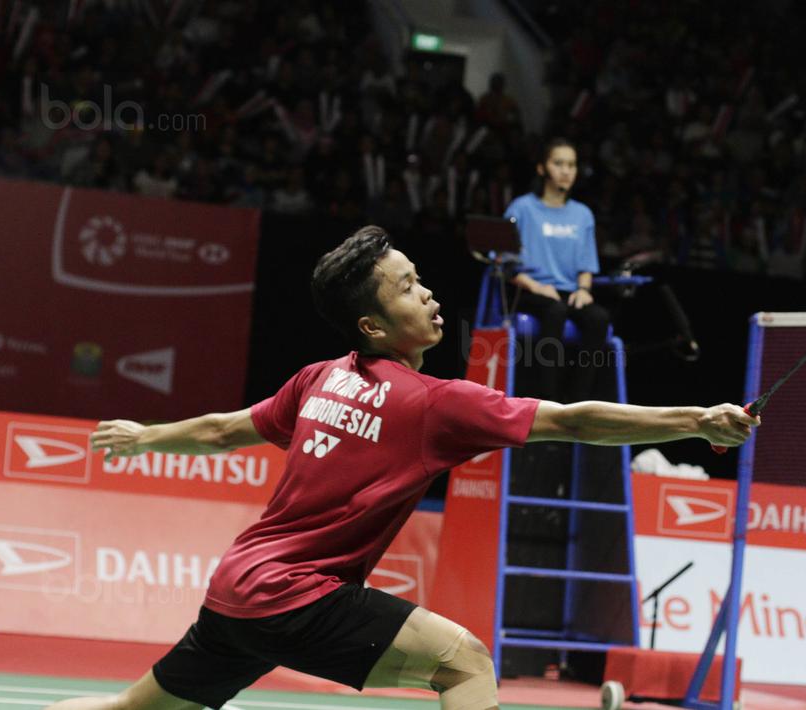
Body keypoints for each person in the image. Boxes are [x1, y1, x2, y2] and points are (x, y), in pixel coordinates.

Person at [46, 225, 758, 710]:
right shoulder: (433, 404)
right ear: (374, 327)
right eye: (407, 288)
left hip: (237, 592)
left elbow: (221, 431)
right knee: (468, 663)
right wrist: (695, 421)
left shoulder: (318, 377)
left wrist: (146, 437)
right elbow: (571, 420)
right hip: (296, 594)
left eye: (420, 280)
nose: (429, 295)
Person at [505, 138, 609, 402]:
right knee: (556, 310)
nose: (566, 171)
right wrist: (537, 287)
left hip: (570, 291)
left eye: (572, 165)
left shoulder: (583, 214)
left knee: (598, 317)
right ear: (542, 168)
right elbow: (505, 263)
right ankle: (547, 400)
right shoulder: (522, 208)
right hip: (530, 290)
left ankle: (580, 403)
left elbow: (587, 266)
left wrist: (584, 289)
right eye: (558, 163)